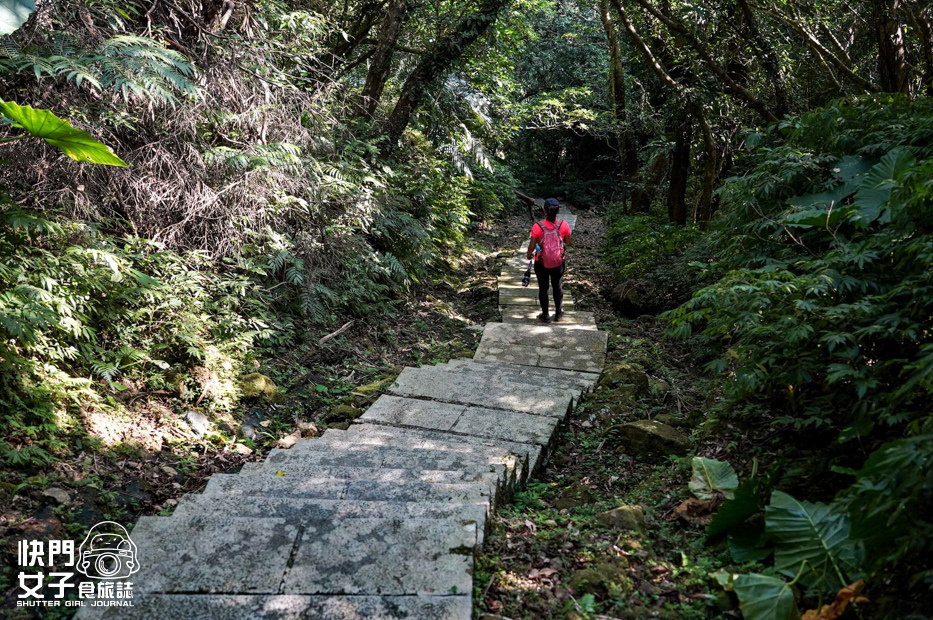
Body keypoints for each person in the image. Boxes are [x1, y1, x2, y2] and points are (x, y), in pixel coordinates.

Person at [526, 198, 571, 323]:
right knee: (557, 286)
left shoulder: (537, 227)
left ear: (545, 212)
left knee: (543, 288)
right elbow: (568, 242)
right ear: (557, 212)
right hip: (558, 263)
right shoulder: (564, 225)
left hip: (541, 263)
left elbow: (532, 245)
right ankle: (558, 314)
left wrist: (529, 254)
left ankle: (545, 316)